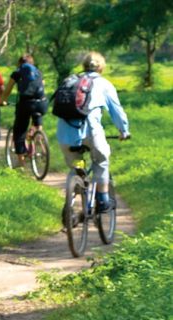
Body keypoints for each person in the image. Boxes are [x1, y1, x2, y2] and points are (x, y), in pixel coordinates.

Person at [56, 51, 130, 212]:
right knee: (101, 160)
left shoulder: (69, 81)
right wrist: (124, 130)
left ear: (84, 65)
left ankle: (69, 205)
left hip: (65, 133)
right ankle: (103, 200)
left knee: (75, 166)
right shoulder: (104, 84)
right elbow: (116, 111)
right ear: (101, 68)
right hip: (90, 131)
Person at [1, 54, 48, 166]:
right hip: (42, 103)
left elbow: (8, 89)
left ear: (19, 63)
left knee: (19, 131)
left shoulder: (17, 73)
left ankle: (21, 162)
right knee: (36, 122)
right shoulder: (38, 72)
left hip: (26, 104)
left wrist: (2, 100)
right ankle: (39, 139)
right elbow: (43, 85)